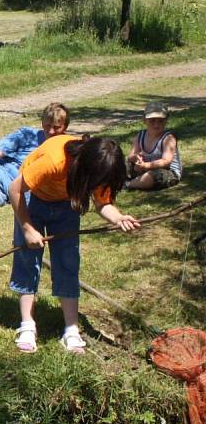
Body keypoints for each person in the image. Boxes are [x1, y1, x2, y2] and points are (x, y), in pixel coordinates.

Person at [9, 134, 140, 354]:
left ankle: (71, 329)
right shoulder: (54, 161)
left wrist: (118, 218)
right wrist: (28, 228)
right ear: (84, 168)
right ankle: (27, 325)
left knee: (68, 262)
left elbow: (102, 203)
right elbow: (15, 190)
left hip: (65, 204)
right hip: (32, 199)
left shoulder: (99, 167)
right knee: (28, 261)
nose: (98, 186)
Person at [125, 101, 182, 191]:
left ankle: (127, 184)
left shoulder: (168, 138)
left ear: (166, 120)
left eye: (160, 121)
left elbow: (166, 161)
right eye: (152, 121)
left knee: (152, 176)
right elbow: (131, 156)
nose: (156, 124)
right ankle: (119, 181)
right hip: (144, 168)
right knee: (122, 163)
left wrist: (146, 166)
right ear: (144, 120)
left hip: (166, 171)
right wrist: (137, 158)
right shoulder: (140, 135)